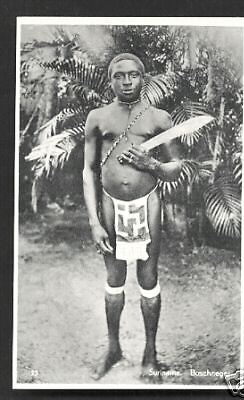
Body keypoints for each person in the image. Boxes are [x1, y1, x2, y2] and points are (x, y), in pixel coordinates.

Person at [83, 53, 182, 382]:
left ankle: (149, 355)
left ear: (144, 77)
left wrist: (151, 164)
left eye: (133, 75)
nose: (126, 82)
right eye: (119, 76)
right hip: (110, 206)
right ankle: (113, 349)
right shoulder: (97, 117)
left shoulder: (159, 119)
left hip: (147, 205)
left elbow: (174, 168)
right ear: (110, 80)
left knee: (148, 278)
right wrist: (94, 222)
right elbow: (88, 170)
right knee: (114, 278)